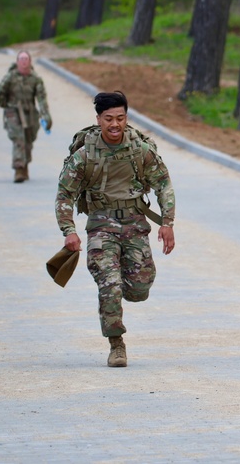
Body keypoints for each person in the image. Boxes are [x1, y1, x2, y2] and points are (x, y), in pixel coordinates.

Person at [55, 91, 176, 368]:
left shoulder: (139, 150)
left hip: (135, 224)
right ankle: (116, 344)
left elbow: (163, 184)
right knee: (110, 285)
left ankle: (126, 283)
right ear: (98, 119)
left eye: (120, 118)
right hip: (100, 227)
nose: (115, 125)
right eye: (108, 118)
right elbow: (64, 194)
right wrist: (68, 231)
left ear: (126, 118)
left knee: (140, 287)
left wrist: (167, 223)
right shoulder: (85, 155)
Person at [0, 51, 52, 183]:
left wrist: (46, 115)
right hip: (13, 112)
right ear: (17, 62)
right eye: (21, 59)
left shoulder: (36, 79)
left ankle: (25, 164)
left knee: (28, 141)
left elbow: (41, 99)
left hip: (30, 113)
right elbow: (0, 94)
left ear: (30, 62)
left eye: (26, 59)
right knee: (19, 139)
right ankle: (19, 169)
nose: (24, 61)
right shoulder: (10, 78)